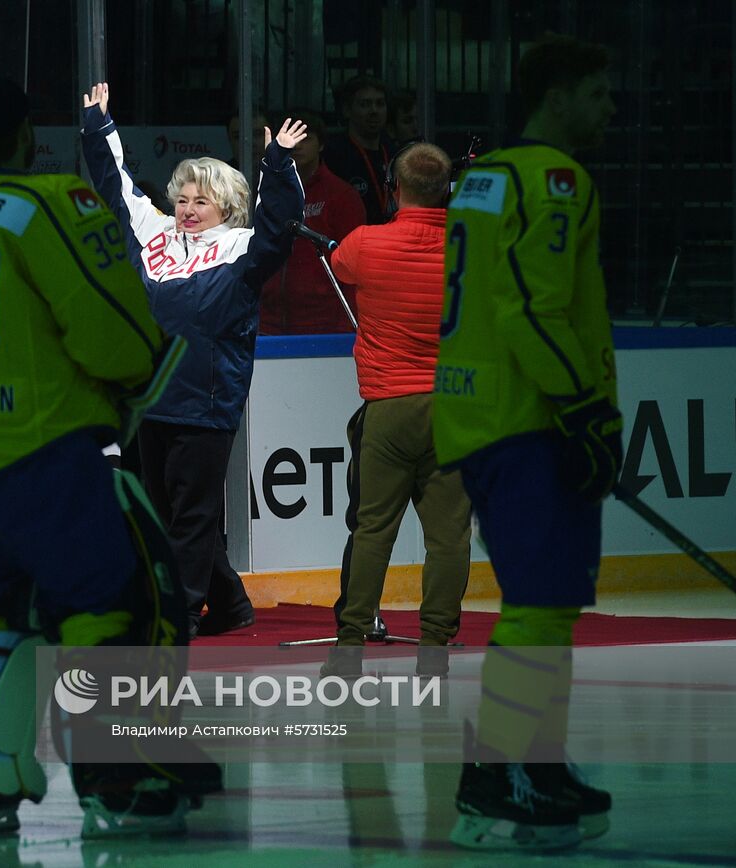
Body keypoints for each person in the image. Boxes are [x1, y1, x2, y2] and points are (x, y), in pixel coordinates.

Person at [0, 75, 218, 839]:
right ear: (28, 135)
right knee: (110, 600)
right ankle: (121, 777)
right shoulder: (49, 201)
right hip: (37, 451)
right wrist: (136, 376)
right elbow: (109, 325)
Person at [433, 34, 619, 851]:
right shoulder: (557, 178)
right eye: (600, 93)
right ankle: (495, 770)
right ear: (561, 94)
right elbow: (533, 309)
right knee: (541, 607)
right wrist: (585, 409)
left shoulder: (482, 176)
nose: (611, 110)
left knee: (546, 607)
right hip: (532, 418)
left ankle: (538, 765)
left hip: (478, 418)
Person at [81, 82, 307, 638]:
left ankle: (176, 617)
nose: (186, 209)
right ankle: (230, 604)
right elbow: (117, 188)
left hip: (204, 407)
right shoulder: (154, 234)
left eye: (200, 201)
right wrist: (97, 127)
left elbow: (280, 225)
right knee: (161, 517)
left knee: (191, 519)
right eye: (182, 198)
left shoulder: (243, 249)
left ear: (226, 208)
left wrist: (276, 162)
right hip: (145, 402)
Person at [320, 142, 470, 678]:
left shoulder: (366, 243)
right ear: (447, 188)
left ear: (395, 186)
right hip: (454, 409)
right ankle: (434, 648)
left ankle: (350, 644)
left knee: (372, 529)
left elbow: (336, 263)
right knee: (449, 537)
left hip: (388, 406)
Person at [258, 109, 366, 334]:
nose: (296, 144)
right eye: (289, 136)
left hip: (324, 323)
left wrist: (347, 326)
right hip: (267, 322)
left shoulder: (342, 195)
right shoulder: (264, 192)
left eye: (305, 137)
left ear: (321, 145)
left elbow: (355, 265)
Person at [323, 75, 396, 225]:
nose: (374, 110)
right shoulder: (334, 156)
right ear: (347, 110)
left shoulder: (394, 153)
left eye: (380, 104)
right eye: (365, 104)